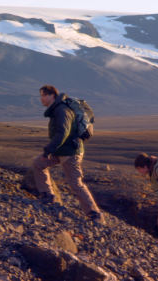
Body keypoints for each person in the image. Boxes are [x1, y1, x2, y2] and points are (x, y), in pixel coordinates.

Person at [32, 85, 104, 224]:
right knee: (38, 163)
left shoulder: (61, 110)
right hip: (61, 151)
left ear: (52, 95)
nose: (41, 99)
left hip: (70, 152)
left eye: (43, 95)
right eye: (40, 95)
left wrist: (48, 150)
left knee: (76, 183)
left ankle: (95, 214)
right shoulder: (58, 109)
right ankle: (47, 195)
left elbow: (62, 133)